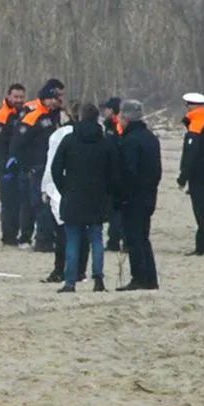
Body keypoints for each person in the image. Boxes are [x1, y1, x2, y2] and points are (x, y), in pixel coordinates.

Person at [51, 103, 117, 293]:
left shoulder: (69, 140)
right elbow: (113, 172)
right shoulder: (105, 142)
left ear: (79, 118)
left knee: (73, 239)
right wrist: (107, 192)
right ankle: (98, 279)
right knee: (96, 238)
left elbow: (56, 168)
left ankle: (70, 281)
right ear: (97, 118)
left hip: (73, 195)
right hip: (97, 197)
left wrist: (64, 188)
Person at [7, 80, 65, 252]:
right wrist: (19, 162)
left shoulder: (54, 114)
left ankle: (47, 237)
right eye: (56, 98)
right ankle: (31, 238)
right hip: (35, 167)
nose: (58, 101)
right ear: (48, 97)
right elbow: (18, 142)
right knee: (34, 204)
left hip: (50, 165)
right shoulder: (33, 115)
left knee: (46, 202)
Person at [116, 99, 161, 291]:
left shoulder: (130, 141)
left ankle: (140, 278)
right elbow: (156, 170)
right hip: (149, 194)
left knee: (134, 237)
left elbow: (128, 172)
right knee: (143, 237)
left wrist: (122, 195)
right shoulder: (151, 138)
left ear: (125, 117)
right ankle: (150, 278)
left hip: (134, 197)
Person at [41, 102, 88, 284]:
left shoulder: (59, 135)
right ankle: (80, 270)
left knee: (63, 232)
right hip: (85, 188)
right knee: (84, 231)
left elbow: (51, 164)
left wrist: (45, 187)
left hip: (61, 188)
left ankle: (61, 270)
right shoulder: (96, 133)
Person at [178, 92, 204, 256]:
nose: (186, 108)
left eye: (187, 105)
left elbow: (190, 155)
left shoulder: (197, 125)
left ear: (193, 106)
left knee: (200, 210)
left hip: (196, 174)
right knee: (202, 209)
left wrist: (183, 177)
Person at [0, 84, 27, 246]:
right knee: (8, 201)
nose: (19, 100)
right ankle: (8, 236)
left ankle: (20, 233)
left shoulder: (24, 113)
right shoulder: (1, 116)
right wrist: (5, 166)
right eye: (16, 97)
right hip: (6, 166)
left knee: (22, 201)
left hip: (22, 164)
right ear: (9, 96)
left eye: (21, 97)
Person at [101, 97, 125, 252]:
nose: (104, 112)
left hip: (115, 172)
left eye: (106, 109)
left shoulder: (115, 126)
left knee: (115, 209)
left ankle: (114, 240)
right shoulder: (112, 125)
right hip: (117, 172)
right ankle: (115, 238)